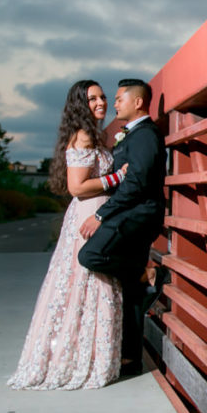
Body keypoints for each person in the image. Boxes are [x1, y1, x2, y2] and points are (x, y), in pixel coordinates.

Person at [8, 80, 129, 390]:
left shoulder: (97, 135)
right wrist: (119, 176)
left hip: (96, 211)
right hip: (88, 214)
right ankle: (76, 359)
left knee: (90, 283)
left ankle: (87, 355)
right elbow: (76, 187)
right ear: (80, 105)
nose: (101, 102)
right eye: (92, 99)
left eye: (102, 97)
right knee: (85, 280)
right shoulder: (85, 135)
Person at [78, 79, 167, 377]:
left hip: (139, 214)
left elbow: (137, 183)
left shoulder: (145, 136)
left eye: (118, 99)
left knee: (90, 255)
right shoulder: (134, 134)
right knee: (130, 292)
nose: (113, 104)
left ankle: (143, 271)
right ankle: (130, 358)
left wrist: (101, 215)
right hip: (133, 212)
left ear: (137, 102)